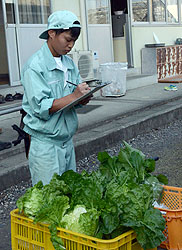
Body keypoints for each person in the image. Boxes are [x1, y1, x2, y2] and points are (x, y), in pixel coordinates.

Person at [21, 10, 92, 186]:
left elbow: (71, 99)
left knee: (68, 195)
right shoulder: (35, 66)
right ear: (52, 33)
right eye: (67, 39)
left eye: (73, 41)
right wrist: (74, 96)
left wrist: (81, 99)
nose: (71, 46)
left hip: (66, 140)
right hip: (45, 145)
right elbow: (40, 106)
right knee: (49, 200)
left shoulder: (68, 63)